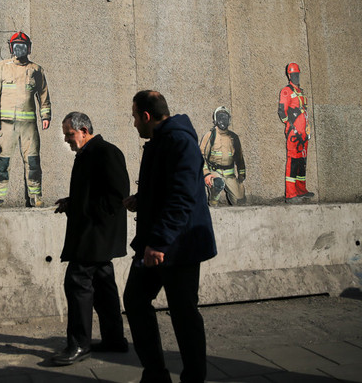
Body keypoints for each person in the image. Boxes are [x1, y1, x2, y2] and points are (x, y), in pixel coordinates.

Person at [123, 90, 217, 383]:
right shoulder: (160, 141)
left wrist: (160, 242)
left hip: (178, 246)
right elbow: (167, 186)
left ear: (147, 116)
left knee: (183, 314)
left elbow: (183, 197)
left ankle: (193, 378)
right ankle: (156, 375)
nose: (134, 123)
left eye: (135, 116)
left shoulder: (179, 141)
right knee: (136, 301)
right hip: (158, 242)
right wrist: (143, 198)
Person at [52, 112, 130, 366]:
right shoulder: (88, 154)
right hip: (94, 234)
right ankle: (114, 340)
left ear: (84, 130)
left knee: (76, 283)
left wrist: (84, 212)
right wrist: (72, 203)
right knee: (104, 286)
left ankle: (78, 344)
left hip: (95, 235)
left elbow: (116, 195)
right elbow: (91, 193)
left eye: (69, 134)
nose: (67, 140)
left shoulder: (106, 152)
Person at [0, 31, 51, 208]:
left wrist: (46, 116)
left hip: (29, 126)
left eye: (23, 45)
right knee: (2, 161)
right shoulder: (1, 67)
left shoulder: (36, 70)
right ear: (11, 48)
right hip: (5, 125)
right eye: (16, 45)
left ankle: (35, 196)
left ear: (28, 48)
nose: (19, 48)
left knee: (33, 162)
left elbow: (43, 95)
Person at [278, 63, 314, 204]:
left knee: (302, 162)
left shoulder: (300, 91)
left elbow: (304, 112)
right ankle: (291, 194)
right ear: (289, 75)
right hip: (294, 133)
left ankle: (301, 190)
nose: (296, 77)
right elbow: (282, 111)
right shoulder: (286, 91)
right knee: (292, 162)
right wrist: (290, 127)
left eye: (298, 74)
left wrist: (307, 130)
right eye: (294, 75)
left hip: (304, 133)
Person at [199, 106, 246, 206]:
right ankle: (213, 202)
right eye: (220, 117)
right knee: (217, 184)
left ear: (229, 120)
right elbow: (200, 156)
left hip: (229, 175)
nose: (222, 121)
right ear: (215, 120)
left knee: (240, 201)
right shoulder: (210, 135)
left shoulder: (234, 137)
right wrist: (206, 174)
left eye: (225, 118)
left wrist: (241, 173)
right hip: (214, 172)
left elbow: (239, 157)